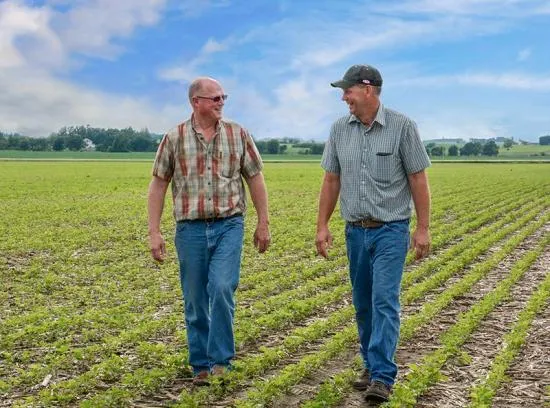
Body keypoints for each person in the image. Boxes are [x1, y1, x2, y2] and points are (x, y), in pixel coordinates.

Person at [315, 64, 431, 404]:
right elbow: (331, 180)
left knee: (384, 301)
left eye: (348, 90)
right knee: (363, 304)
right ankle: (370, 364)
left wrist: (422, 229)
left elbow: (418, 180)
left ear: (368, 89)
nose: (343, 97)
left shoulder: (402, 127)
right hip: (355, 231)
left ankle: (382, 376)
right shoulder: (339, 130)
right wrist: (322, 226)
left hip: (391, 230)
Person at [148, 76, 270, 385]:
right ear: (195, 102)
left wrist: (263, 222)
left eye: (222, 97)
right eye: (214, 98)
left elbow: (255, 178)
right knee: (195, 299)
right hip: (189, 229)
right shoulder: (174, 138)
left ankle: (221, 361)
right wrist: (154, 231)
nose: (221, 102)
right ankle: (200, 364)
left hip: (229, 224)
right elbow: (158, 184)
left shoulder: (238, 134)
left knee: (221, 288)